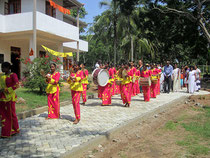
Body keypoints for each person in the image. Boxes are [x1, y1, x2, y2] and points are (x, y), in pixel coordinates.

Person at [0, 62, 20, 137]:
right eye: (1, 67)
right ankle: (6, 131)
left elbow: (17, 85)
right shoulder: (1, 76)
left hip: (10, 97)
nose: (2, 69)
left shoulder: (13, 75)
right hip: (2, 97)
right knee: (3, 115)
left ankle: (13, 129)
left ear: (8, 68)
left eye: (3, 67)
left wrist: (7, 90)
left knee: (11, 114)